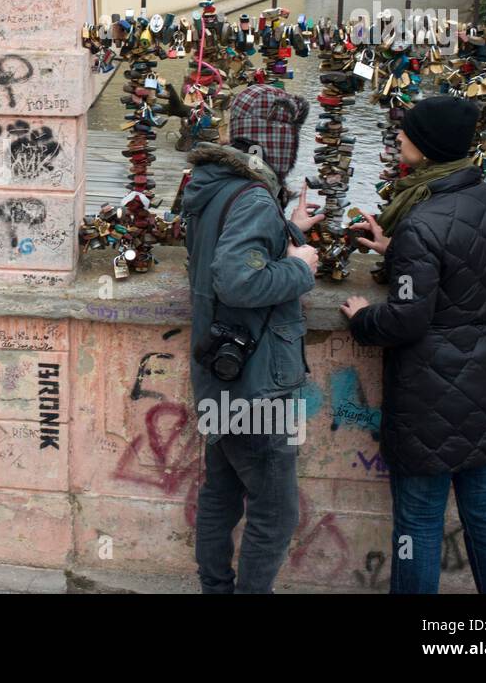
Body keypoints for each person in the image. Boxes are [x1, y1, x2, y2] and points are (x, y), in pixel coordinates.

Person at [342, 95, 486, 594]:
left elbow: (406, 319)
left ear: (426, 147)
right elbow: (465, 270)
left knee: (418, 525)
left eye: (405, 133)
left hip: (429, 398)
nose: (398, 138)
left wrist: (361, 318)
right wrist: (395, 248)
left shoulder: (422, 222)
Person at [182, 84, 322, 593]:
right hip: (258, 383)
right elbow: (239, 280)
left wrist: (289, 228)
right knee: (276, 513)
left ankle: (215, 588)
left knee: (221, 491)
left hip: (220, 370)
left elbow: (227, 253)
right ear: (275, 142)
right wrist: (301, 268)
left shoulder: (215, 185)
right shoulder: (255, 199)